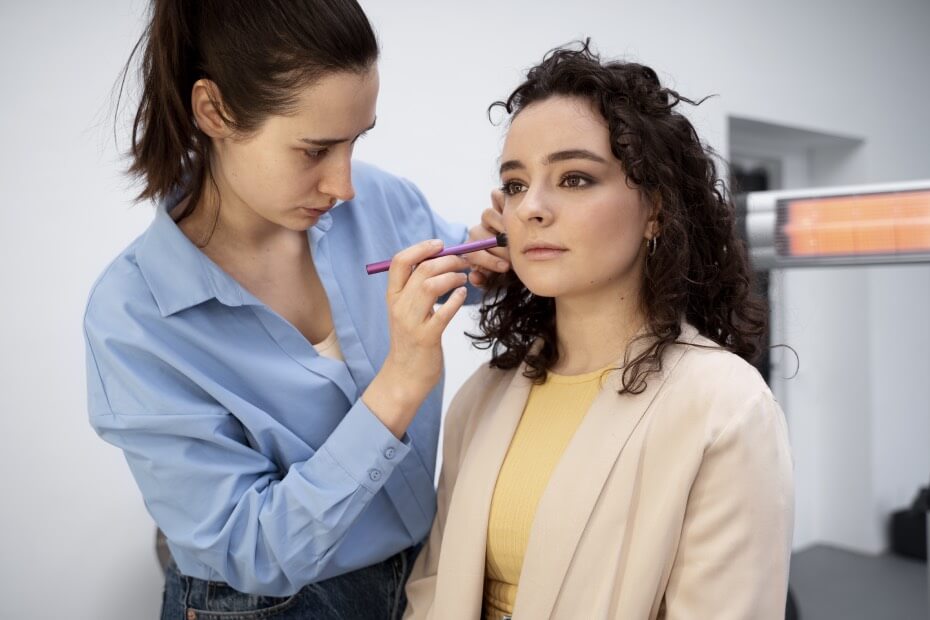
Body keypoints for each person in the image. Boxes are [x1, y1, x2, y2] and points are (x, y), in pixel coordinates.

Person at [83, 1, 507, 618]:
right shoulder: (134, 319)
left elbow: (457, 271)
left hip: (425, 574)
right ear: (214, 111)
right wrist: (396, 390)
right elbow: (252, 552)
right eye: (314, 151)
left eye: (355, 143)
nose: (344, 186)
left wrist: (504, 250)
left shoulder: (378, 201)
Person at [403, 41, 794, 620]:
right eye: (514, 185)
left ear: (656, 209)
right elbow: (432, 591)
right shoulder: (481, 397)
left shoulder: (726, 407)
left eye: (575, 179)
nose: (532, 207)